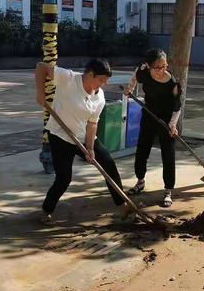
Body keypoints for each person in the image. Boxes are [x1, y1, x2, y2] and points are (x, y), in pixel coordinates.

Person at [35, 58, 132, 224]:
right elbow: (41, 67)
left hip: (81, 136)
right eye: (101, 79)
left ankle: (122, 204)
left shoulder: (99, 96)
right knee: (64, 179)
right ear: (90, 74)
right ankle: (47, 209)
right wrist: (40, 94)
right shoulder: (69, 78)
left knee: (108, 163)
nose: (103, 84)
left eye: (105, 81)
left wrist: (90, 148)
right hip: (60, 136)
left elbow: (92, 123)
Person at [124, 48, 181, 208]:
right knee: (142, 150)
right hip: (149, 115)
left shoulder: (172, 83)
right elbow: (136, 75)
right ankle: (140, 182)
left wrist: (172, 124)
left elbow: (177, 107)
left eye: (164, 66)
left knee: (168, 155)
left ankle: (168, 190)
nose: (162, 70)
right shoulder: (144, 72)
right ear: (148, 66)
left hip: (166, 119)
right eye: (157, 67)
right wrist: (130, 88)